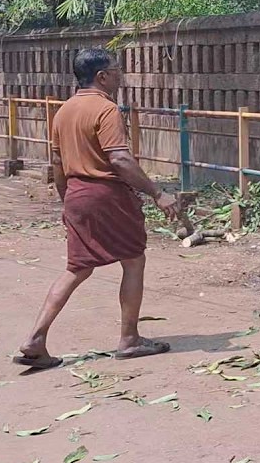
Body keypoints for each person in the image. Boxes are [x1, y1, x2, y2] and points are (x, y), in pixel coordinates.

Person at [12, 48, 181, 369]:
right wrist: (158, 192)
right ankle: (129, 339)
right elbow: (118, 158)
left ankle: (36, 337)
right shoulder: (106, 109)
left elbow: (58, 164)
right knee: (133, 260)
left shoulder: (63, 112)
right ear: (102, 76)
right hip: (107, 195)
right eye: (117, 70)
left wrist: (68, 202)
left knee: (77, 267)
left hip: (77, 194)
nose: (120, 76)